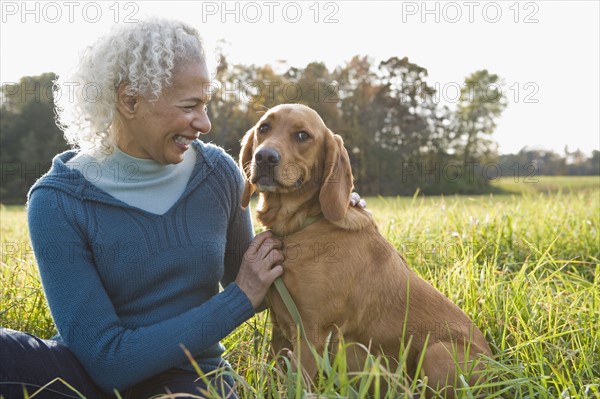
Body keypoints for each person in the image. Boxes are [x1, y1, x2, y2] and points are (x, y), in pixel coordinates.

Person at [0, 17, 366, 399]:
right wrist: (238, 298)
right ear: (130, 100)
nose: (205, 123)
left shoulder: (218, 174)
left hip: (190, 379)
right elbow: (107, 362)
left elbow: (266, 283)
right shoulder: (57, 200)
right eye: (190, 106)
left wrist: (325, 213)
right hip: (84, 376)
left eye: (205, 105)